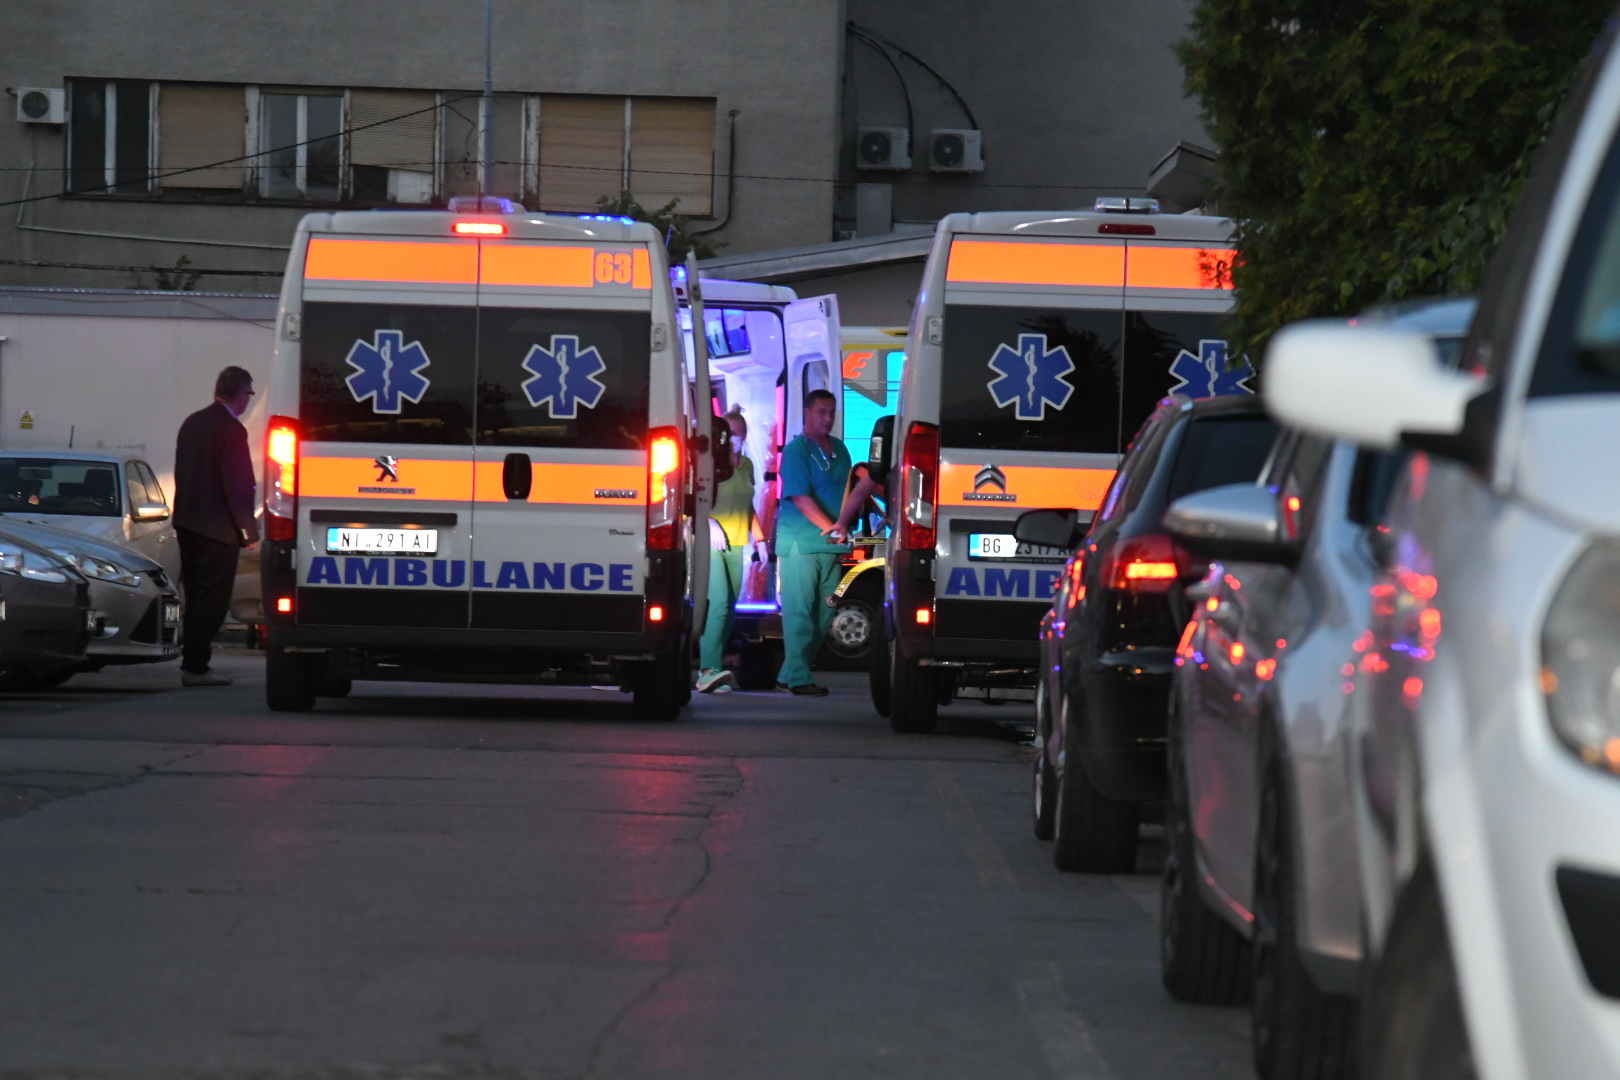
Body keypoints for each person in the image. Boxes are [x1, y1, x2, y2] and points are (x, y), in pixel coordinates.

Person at [173, 366, 259, 687]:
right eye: (250, 394)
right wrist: (248, 530)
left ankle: (193, 661)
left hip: (187, 523)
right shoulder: (232, 430)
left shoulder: (192, 423)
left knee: (195, 595)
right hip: (217, 529)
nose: (249, 400)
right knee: (214, 599)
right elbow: (236, 484)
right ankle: (196, 666)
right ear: (240, 395)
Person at [775, 388, 852, 695]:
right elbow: (800, 497)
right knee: (799, 613)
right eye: (821, 412)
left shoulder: (839, 449)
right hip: (801, 544)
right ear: (806, 412)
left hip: (831, 545)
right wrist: (833, 529)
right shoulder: (796, 451)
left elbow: (850, 490)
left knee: (825, 614)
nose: (828, 418)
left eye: (831, 412)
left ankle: (787, 673)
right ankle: (799, 679)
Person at [696, 408, 768, 693]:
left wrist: (760, 539)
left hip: (736, 542)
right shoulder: (711, 465)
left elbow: (747, 506)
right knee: (719, 603)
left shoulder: (747, 466)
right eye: (728, 433)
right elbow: (694, 502)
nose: (732, 438)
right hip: (711, 542)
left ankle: (715, 666)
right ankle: (707, 669)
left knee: (729, 609)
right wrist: (710, 523)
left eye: (737, 433)